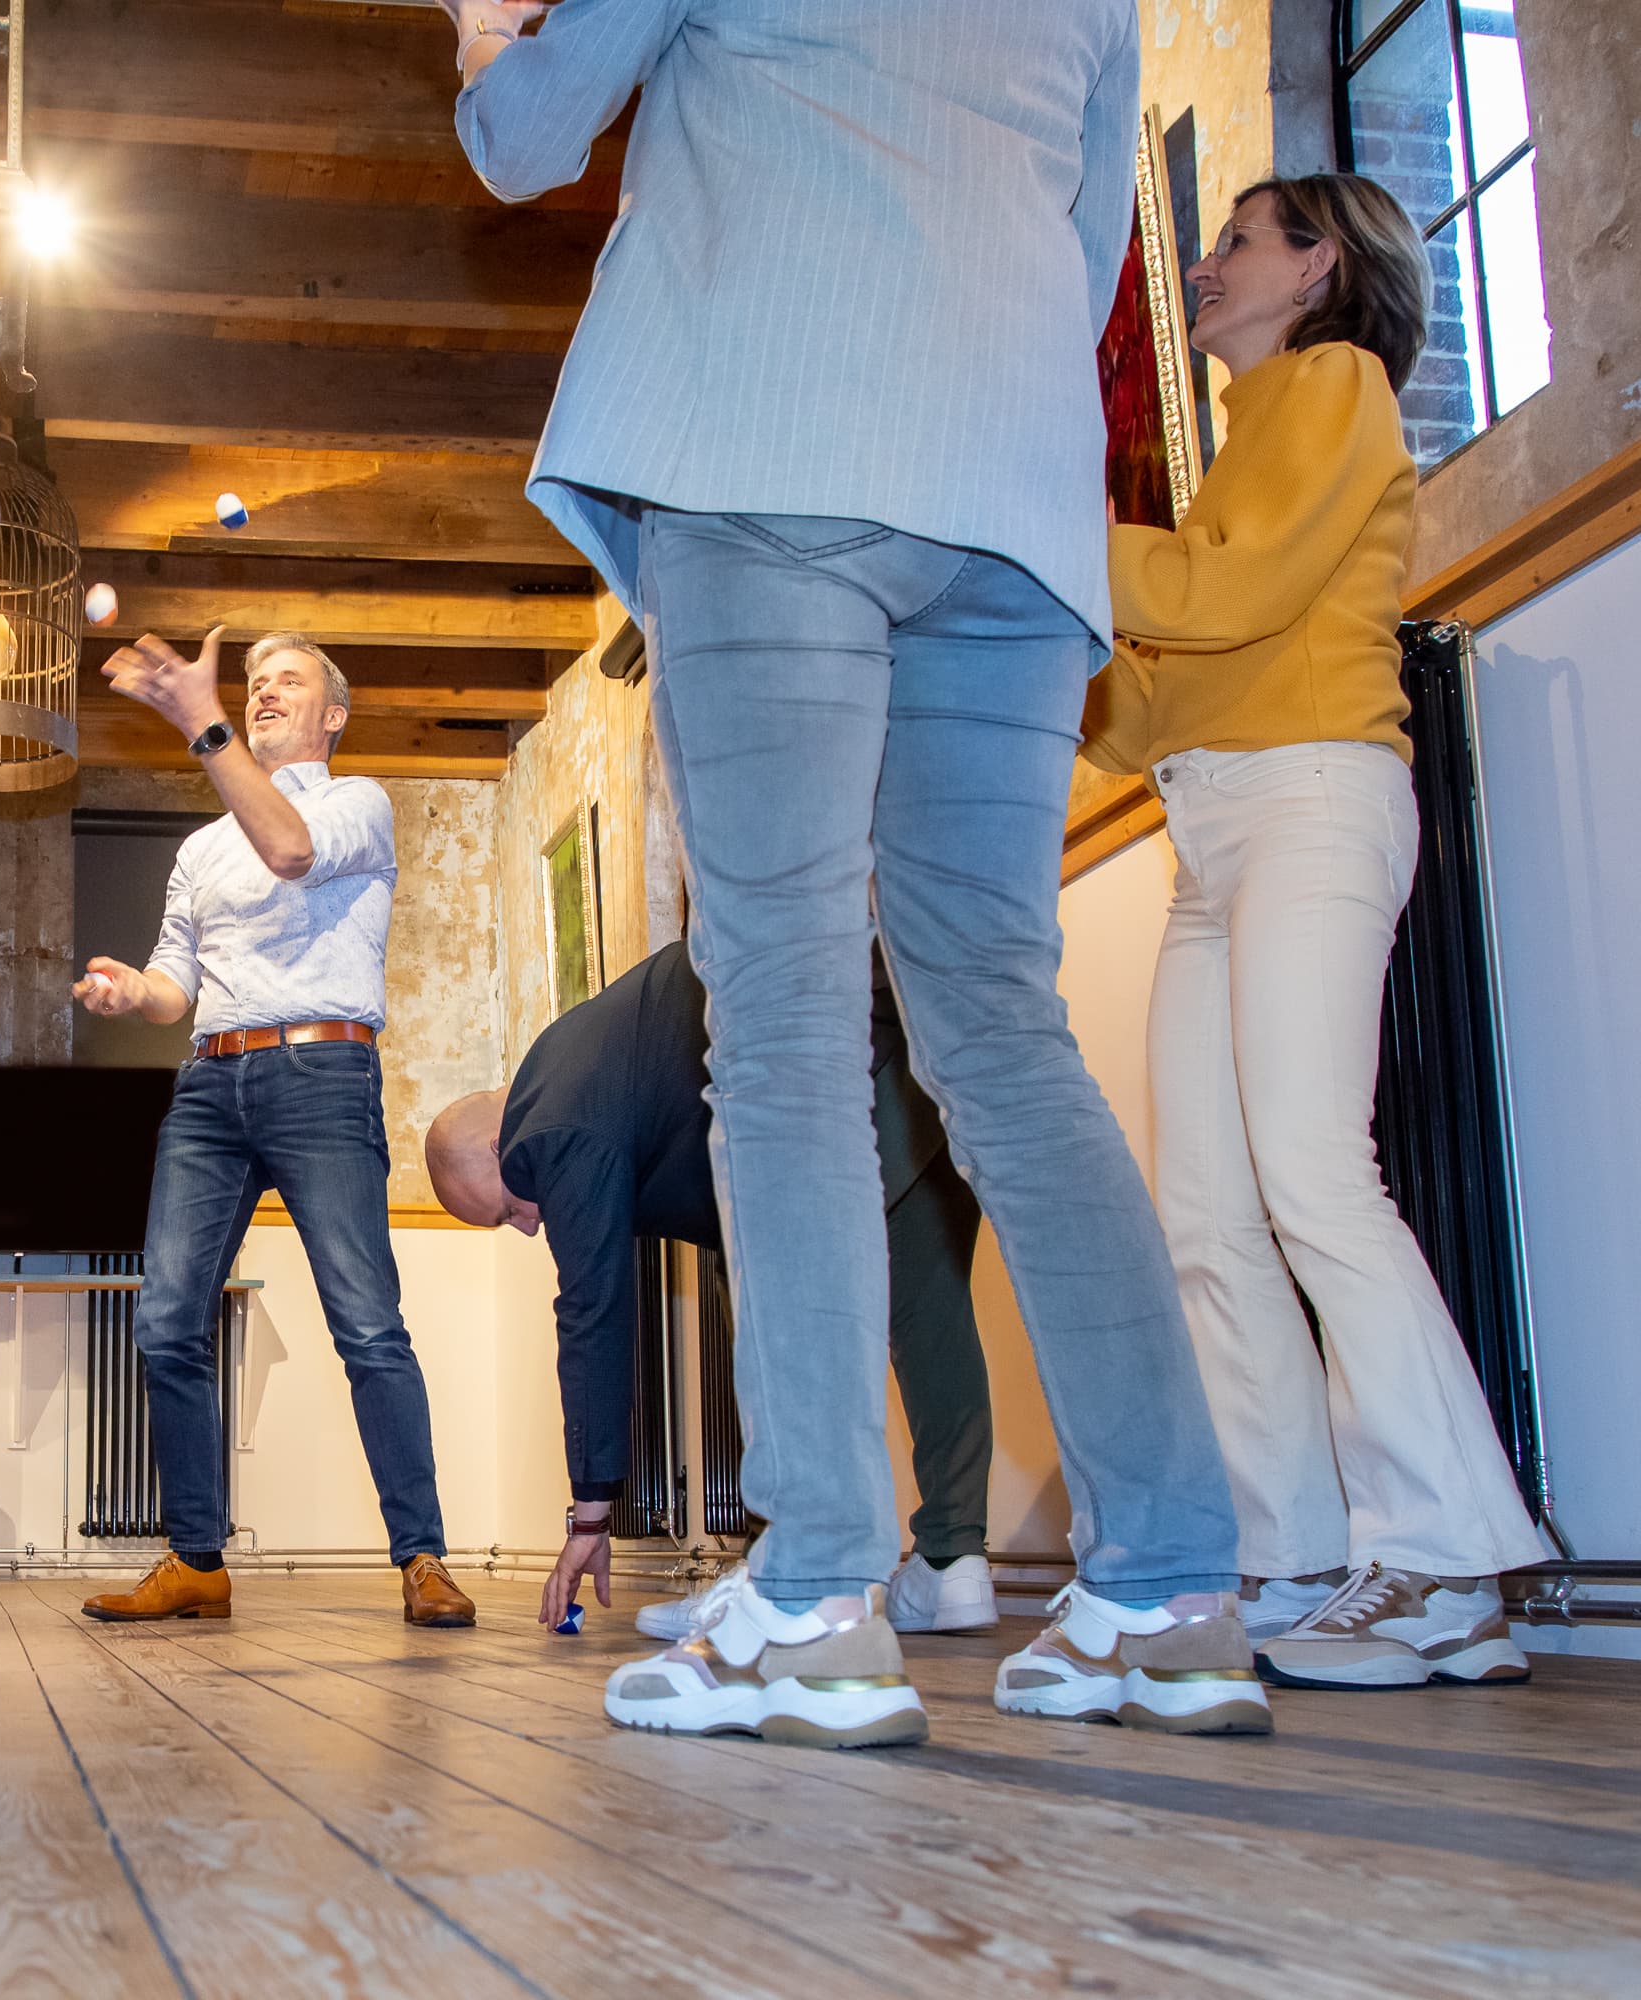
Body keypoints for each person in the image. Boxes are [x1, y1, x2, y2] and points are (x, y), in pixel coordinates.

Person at [442, 0, 1264, 1746]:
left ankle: (818, 1586)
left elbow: (519, 139)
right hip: (1016, 508)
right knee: (1004, 1039)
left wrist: (476, 28)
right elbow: (1093, 252)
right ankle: (1174, 1586)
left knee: (791, 1028)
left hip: (779, 455)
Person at [1084, 174, 1543, 1692]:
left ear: (1318, 265)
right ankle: (1292, 1550)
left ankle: (1444, 1559)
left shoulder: (1335, 385)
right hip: (1213, 828)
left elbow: (1239, 596)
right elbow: (1149, 705)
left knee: (1310, 1175)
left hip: (1315, 799)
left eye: (1234, 241)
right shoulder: (1237, 454)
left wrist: (1063, 533)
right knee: (1209, 1210)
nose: (1207, 266)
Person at [74, 630, 477, 1631]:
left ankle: (422, 1556)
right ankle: (197, 1560)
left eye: (286, 683)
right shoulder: (199, 848)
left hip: (322, 1071)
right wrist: (133, 991)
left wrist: (199, 720)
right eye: (253, 686)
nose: (262, 694)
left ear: (333, 714)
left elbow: (290, 849)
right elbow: (178, 986)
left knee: (367, 1322)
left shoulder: (356, 804)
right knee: (166, 1318)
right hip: (210, 1086)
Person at [427, 943, 1000, 1639]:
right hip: (917, 1042)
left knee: (774, 1325)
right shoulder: (573, 1054)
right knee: (930, 1316)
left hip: (825, 1087)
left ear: (495, 1145)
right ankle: (951, 1560)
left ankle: (781, 1578)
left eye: (505, 1209)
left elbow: (593, 1314)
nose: (526, 1223)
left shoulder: (546, 1127)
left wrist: (591, 1513)